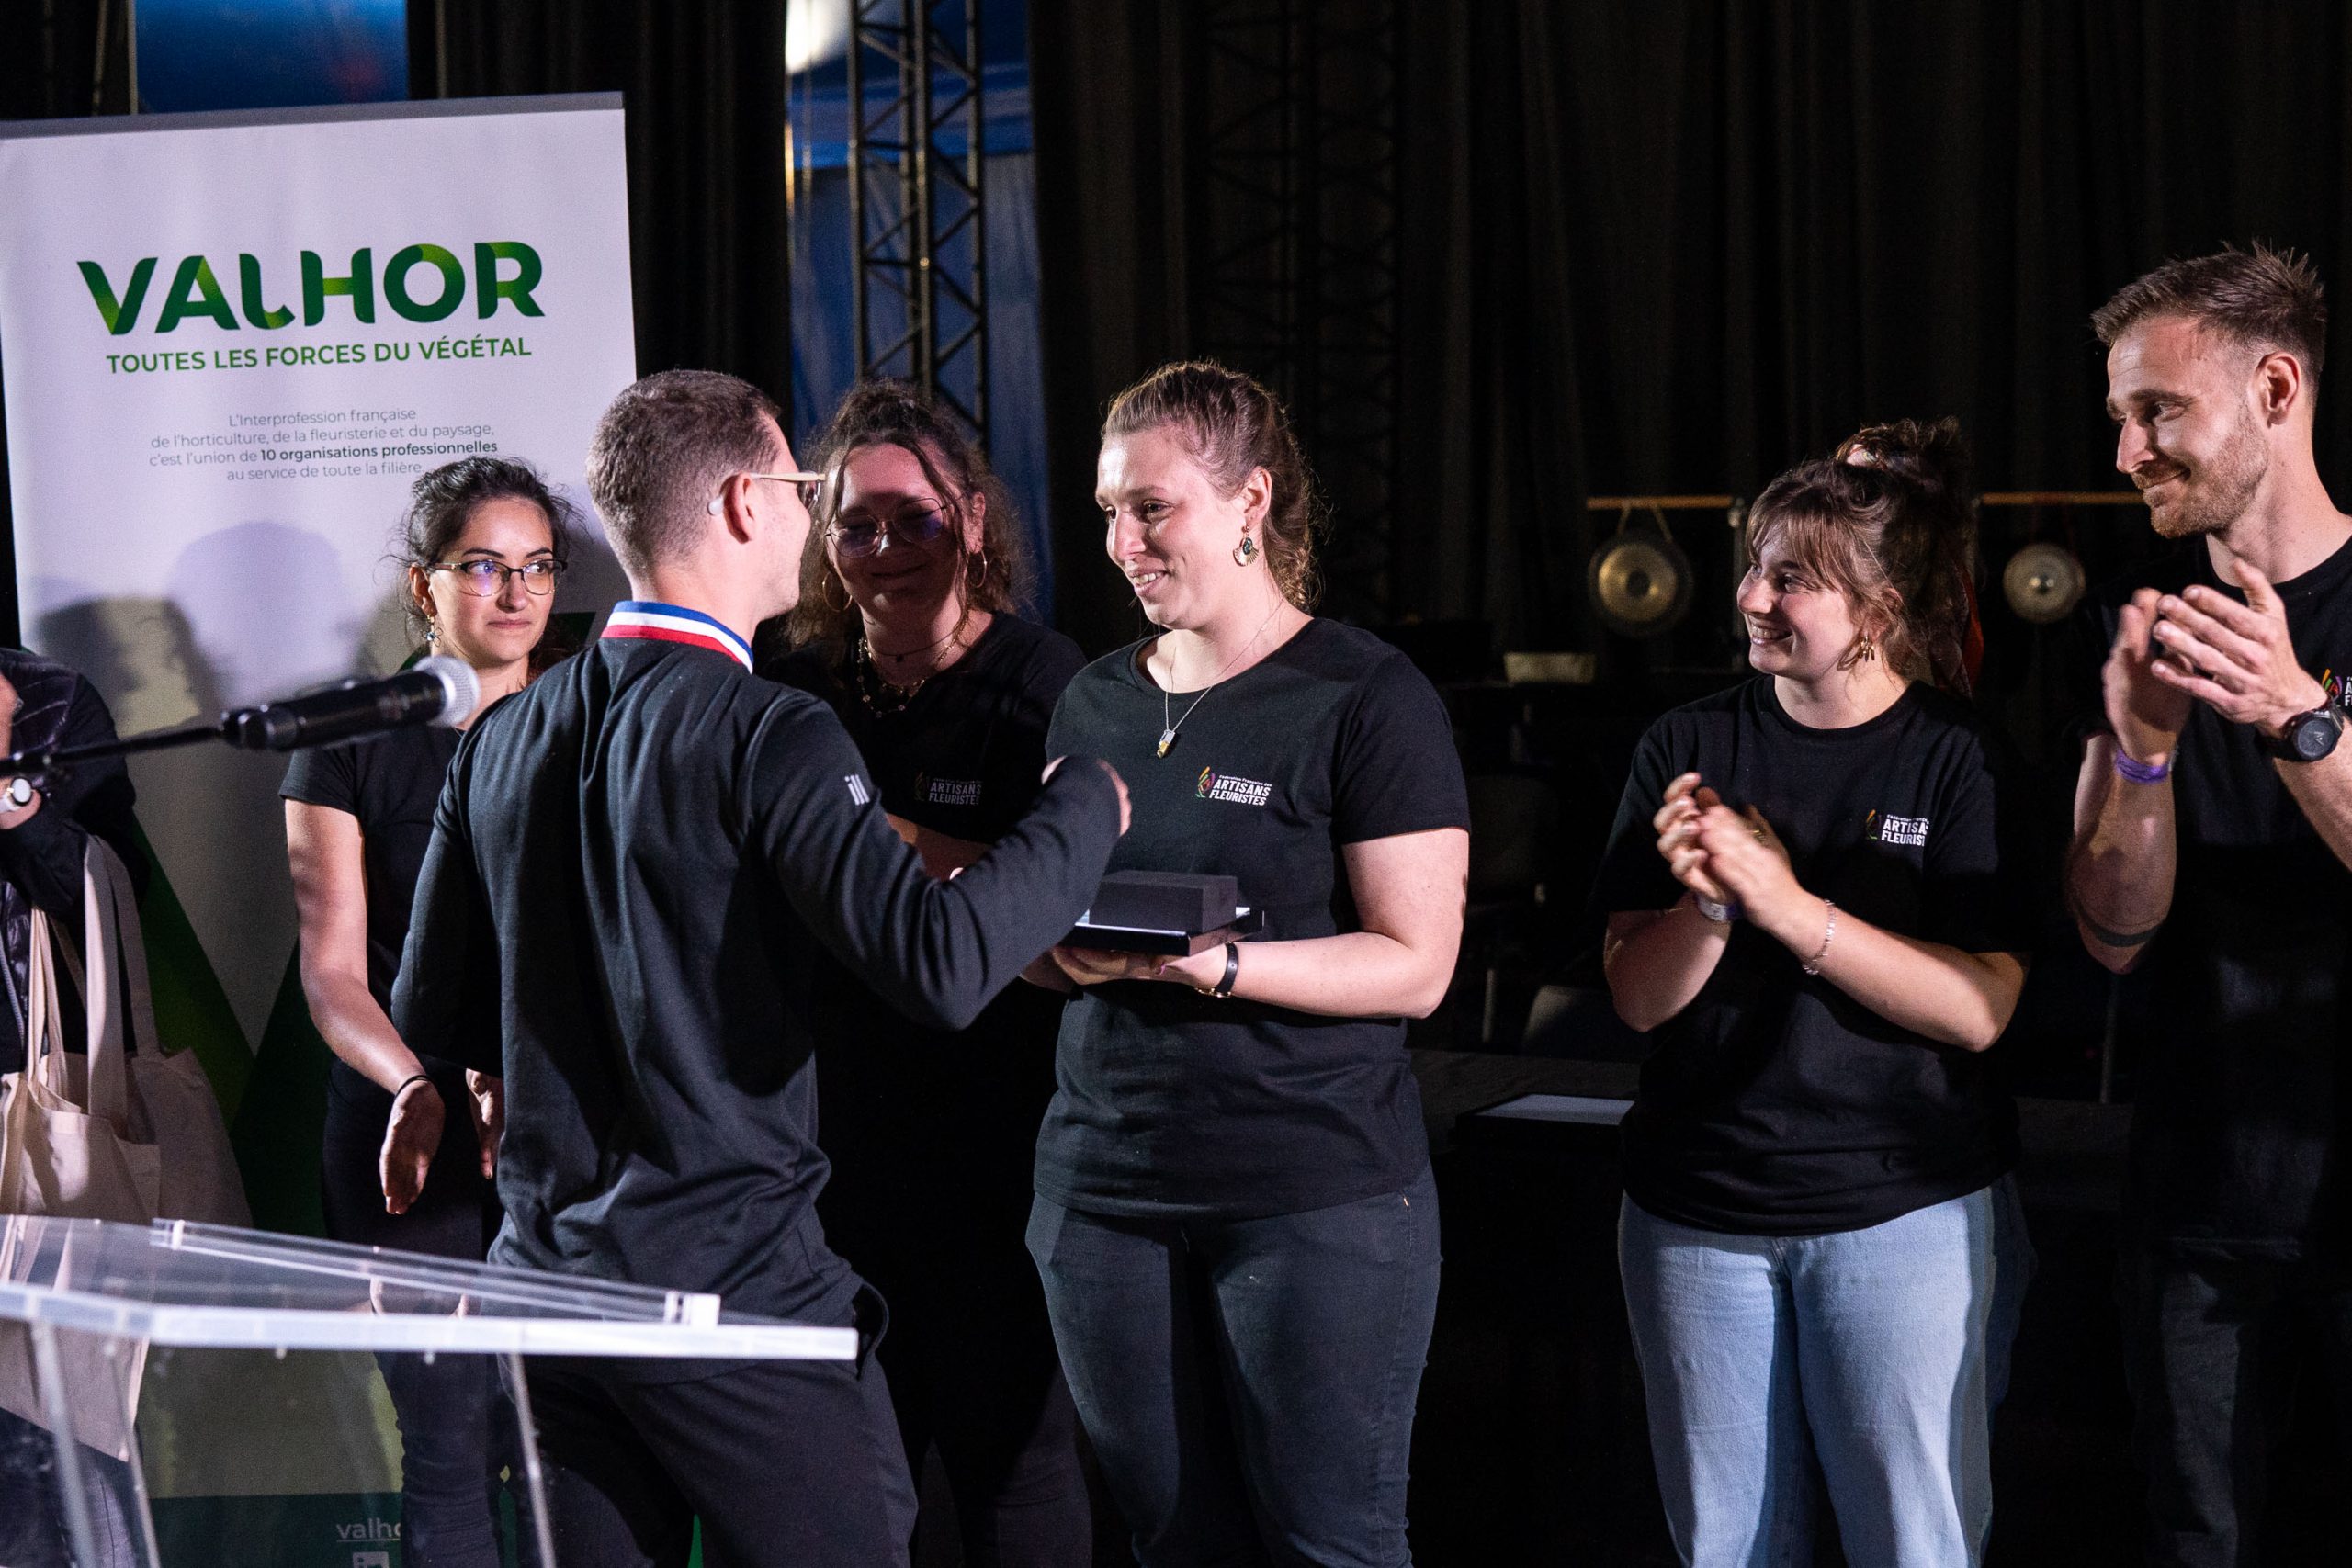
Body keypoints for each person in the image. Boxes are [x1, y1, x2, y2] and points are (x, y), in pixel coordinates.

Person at [390, 368, 1128, 1568]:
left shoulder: (503, 735)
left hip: (551, 1296)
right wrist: (1085, 804)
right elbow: (941, 965)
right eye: (800, 487)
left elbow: (439, 1014)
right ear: (743, 501)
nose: (808, 513)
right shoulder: (771, 728)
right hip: (725, 1296)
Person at [1034, 360, 1469, 1566]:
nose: (1122, 543)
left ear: (1251, 501)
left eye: (1151, 507)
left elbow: (1416, 965)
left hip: (1311, 1194)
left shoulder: (1363, 694)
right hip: (1105, 1194)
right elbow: (1050, 947)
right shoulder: (1091, 703)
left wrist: (1217, 970)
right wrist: (1049, 948)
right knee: (1170, 1539)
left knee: (1329, 1542)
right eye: (1109, 511)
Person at [1595, 418, 2032, 1568]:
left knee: (1914, 1543)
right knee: (1729, 1547)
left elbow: (1980, 1008)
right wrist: (1709, 904)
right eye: (1754, 565)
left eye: (1792, 579)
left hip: (1899, 1215)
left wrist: (1787, 908)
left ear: (1877, 610)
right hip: (1697, 1216)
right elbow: (1636, 1000)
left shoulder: (1957, 756)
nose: (1751, 596)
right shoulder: (1684, 742)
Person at [763, 379, 1092, 1565]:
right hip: (830, 1153)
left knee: (1015, 1457)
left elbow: (1068, 907)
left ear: (975, 518)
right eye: (857, 526)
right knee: (854, 1477)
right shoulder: (794, 687)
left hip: (998, 1139)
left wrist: (878, 835)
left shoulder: (1046, 683)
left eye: (916, 519)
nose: (887, 549)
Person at [2066, 245, 2352, 1566]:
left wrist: (2298, 718)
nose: (2128, 450)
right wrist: (2141, 756)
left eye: (2157, 410)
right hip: (2198, 1199)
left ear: (2275, 391)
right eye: (2121, 415)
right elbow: (2112, 932)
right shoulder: (2144, 624)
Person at [281, 457, 572, 1567]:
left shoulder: (595, 720)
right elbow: (332, 973)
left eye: (538, 567)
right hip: (404, 1129)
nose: (516, 592)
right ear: (424, 585)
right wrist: (412, 1083)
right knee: (448, 1450)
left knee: (564, 1449)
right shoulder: (347, 734)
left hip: (563, 1134)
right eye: (484, 565)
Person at [0, 649, 146, 1567]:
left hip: (33, 1122)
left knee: (66, 1435)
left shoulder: (50, 702)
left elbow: (107, 899)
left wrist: (10, 795)